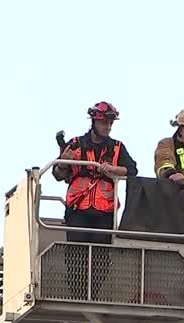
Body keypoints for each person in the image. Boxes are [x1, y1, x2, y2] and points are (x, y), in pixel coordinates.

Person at [53, 101, 138, 244]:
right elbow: (57, 175)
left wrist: (113, 169)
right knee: (76, 256)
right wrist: (63, 162)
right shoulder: (75, 144)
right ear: (94, 122)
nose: (108, 127)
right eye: (105, 122)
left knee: (102, 258)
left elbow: (132, 170)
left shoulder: (117, 147)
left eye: (111, 123)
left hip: (105, 213)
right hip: (77, 209)